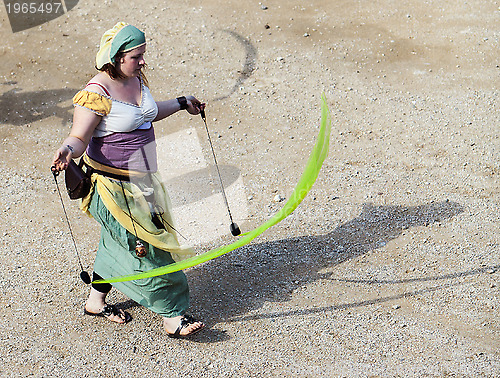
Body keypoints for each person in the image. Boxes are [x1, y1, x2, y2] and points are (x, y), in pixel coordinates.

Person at [51, 22, 205, 338]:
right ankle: (173, 315)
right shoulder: (97, 93)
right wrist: (67, 151)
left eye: (143, 55)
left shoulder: (135, 79)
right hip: (111, 188)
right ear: (117, 57)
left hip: (144, 181)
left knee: (116, 241)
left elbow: (147, 113)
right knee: (148, 248)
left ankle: (96, 301)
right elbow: (79, 136)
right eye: (137, 56)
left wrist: (181, 102)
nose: (143, 61)